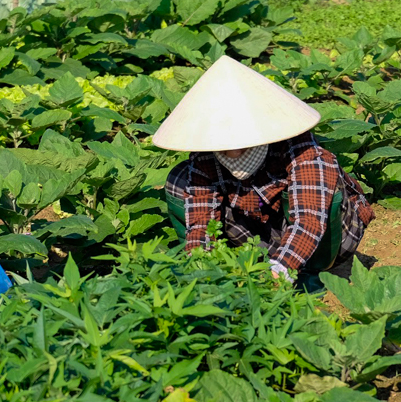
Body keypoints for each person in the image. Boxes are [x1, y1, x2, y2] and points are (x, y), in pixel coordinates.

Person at [153, 55, 374, 288]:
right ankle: (226, 266)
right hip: (256, 228)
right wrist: (202, 269)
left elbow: (308, 220)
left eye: (242, 142)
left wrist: (279, 271)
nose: (233, 152)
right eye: (224, 144)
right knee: (180, 180)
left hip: (319, 232)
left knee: (324, 194)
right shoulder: (205, 156)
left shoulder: (304, 153)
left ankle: (314, 273)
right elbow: (201, 221)